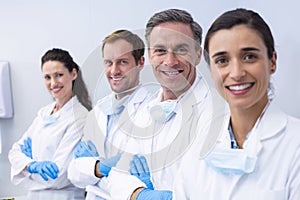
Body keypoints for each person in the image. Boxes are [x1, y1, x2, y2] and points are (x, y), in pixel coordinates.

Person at [173, 8, 300, 199]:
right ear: (211, 69)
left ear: (272, 61)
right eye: (222, 60)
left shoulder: (295, 144)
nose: (236, 73)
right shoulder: (198, 147)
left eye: (249, 57)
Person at [104, 8, 216, 200]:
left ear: (198, 55)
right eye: (160, 51)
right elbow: (117, 174)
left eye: (181, 49)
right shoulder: (142, 110)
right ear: (149, 56)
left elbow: (215, 188)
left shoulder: (216, 112)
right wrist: (138, 194)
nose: (170, 61)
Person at [67, 29, 150, 199]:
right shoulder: (98, 111)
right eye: (108, 62)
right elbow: (74, 173)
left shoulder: (152, 109)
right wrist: (99, 167)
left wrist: (92, 170)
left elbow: (129, 173)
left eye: (122, 62)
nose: (114, 70)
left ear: (140, 62)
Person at [8, 48, 92, 199]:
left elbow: (59, 176)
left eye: (59, 75)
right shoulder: (44, 114)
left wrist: (25, 166)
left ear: (73, 74)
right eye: (47, 77)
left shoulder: (80, 117)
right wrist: (33, 166)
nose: (53, 83)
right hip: (34, 196)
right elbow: (14, 152)